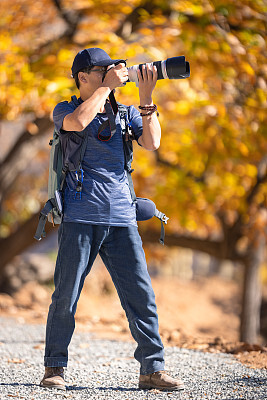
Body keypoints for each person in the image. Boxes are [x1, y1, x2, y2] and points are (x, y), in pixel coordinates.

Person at [40, 47, 184, 392]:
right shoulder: (67, 108)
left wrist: (146, 98)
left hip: (122, 217)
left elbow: (152, 142)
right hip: (80, 215)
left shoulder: (126, 113)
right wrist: (107, 87)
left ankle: (152, 370)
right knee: (66, 295)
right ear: (83, 77)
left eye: (112, 70)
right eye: (101, 70)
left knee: (140, 296)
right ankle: (54, 368)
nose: (111, 74)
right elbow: (76, 124)